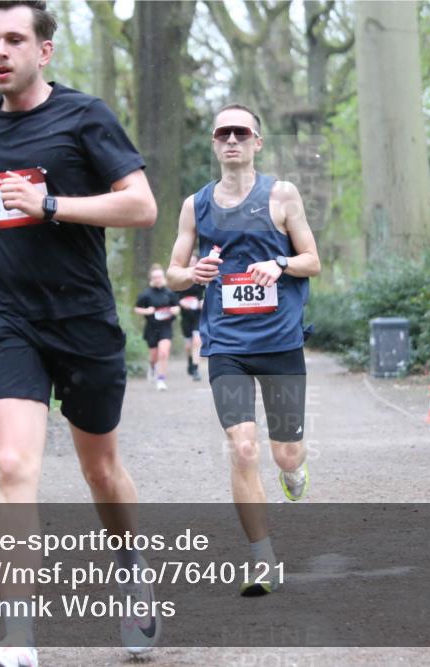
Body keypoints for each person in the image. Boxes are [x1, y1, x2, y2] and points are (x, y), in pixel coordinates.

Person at [0, 2, 160, 664]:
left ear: (44, 51)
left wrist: (56, 206)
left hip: (83, 319)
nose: (0, 51)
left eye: (14, 39)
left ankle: (132, 569)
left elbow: (141, 203)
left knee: (100, 467)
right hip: (11, 316)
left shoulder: (84, 116)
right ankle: (18, 640)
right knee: (12, 465)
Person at [165, 104, 321, 596]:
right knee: (243, 447)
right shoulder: (197, 205)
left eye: (241, 132)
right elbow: (172, 271)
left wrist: (280, 263)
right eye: (223, 133)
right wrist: (192, 275)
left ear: (257, 142)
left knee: (285, 455)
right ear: (215, 144)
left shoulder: (281, 194)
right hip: (227, 344)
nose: (232, 139)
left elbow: (312, 260)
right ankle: (262, 559)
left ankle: (294, 468)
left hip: (279, 344)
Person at [134, 264, 179, 391]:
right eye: (155, 277)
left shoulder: (169, 292)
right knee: (154, 356)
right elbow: (137, 309)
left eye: (159, 276)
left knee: (163, 353)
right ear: (151, 279)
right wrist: (147, 311)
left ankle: (161, 380)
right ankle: (152, 367)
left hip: (166, 327)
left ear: (163, 277)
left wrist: (175, 310)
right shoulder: (145, 294)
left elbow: (176, 306)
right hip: (151, 328)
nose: (157, 279)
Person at [175, 254, 205, 381]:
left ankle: (196, 368)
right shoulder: (181, 278)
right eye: (190, 261)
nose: (192, 262)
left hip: (198, 313)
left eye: (194, 261)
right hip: (185, 315)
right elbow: (173, 295)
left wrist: (203, 301)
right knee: (188, 345)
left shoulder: (202, 277)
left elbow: (209, 292)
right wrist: (180, 302)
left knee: (197, 340)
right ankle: (189, 361)